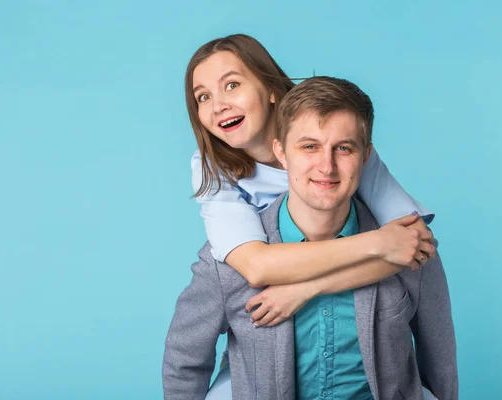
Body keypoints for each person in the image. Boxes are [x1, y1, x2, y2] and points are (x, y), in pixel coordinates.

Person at [163, 76, 457, 399]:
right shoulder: (229, 260)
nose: (326, 166)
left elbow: (440, 364)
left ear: (366, 157)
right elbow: (185, 362)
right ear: (281, 152)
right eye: (309, 147)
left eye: (343, 148)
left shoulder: (408, 249)